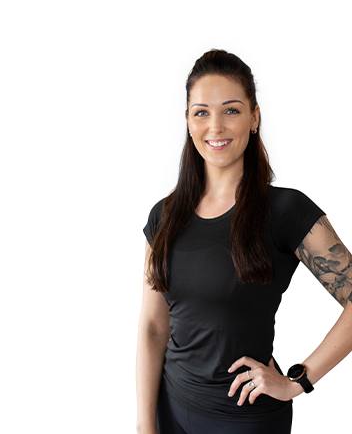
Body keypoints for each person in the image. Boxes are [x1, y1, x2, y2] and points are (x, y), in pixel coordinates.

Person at [136, 49, 352, 434]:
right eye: (201, 112)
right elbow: (154, 326)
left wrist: (298, 381)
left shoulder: (286, 211)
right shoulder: (164, 216)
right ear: (187, 121)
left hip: (246, 420)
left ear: (254, 118)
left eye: (231, 110)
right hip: (171, 413)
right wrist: (144, 424)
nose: (215, 126)